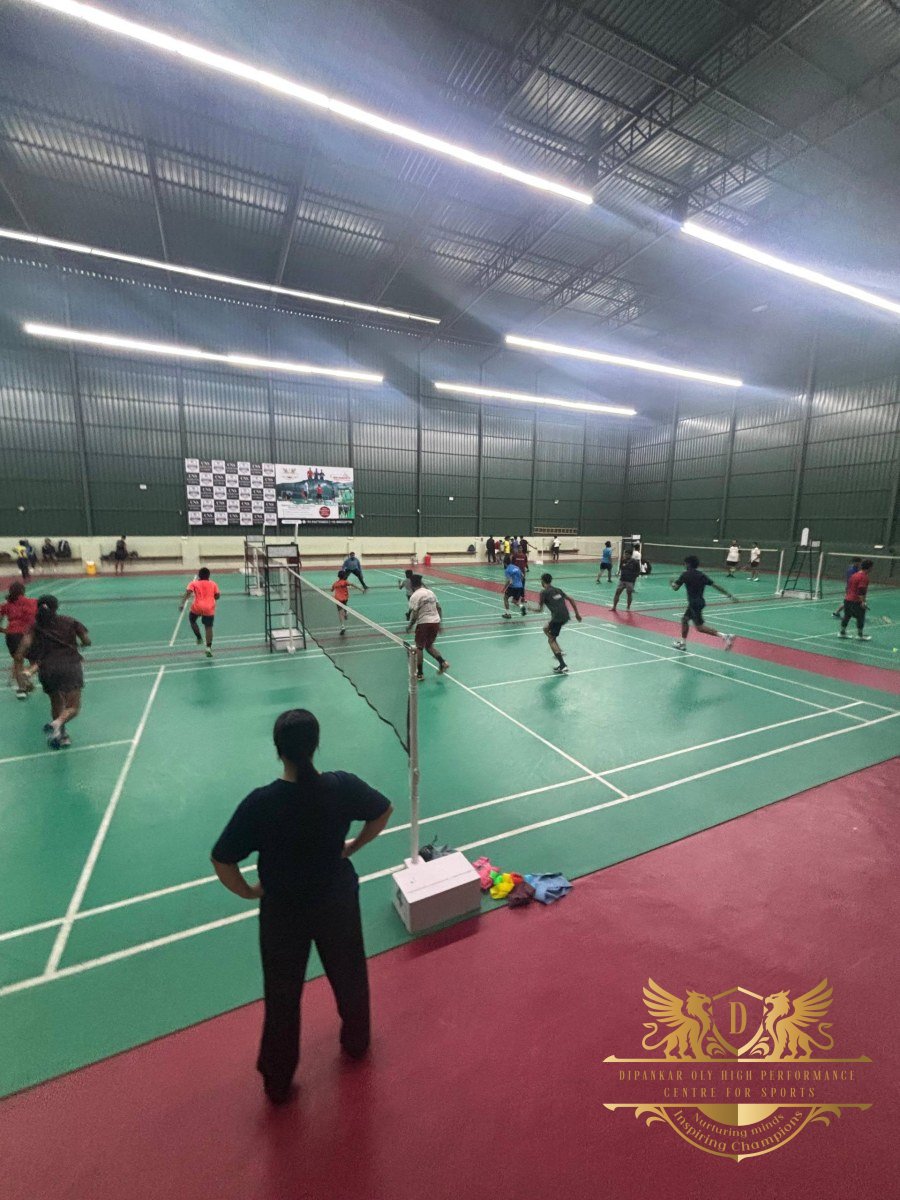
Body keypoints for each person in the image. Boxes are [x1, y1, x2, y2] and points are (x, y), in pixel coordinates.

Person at [211, 709, 393, 1104]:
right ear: (315, 745)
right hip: (336, 901)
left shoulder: (261, 803)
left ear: (279, 751)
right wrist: (352, 847)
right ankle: (357, 1043)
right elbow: (383, 810)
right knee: (349, 975)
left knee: (282, 993)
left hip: (283, 911)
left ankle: (277, 1081)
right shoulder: (341, 786)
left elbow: (222, 859)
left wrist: (248, 892)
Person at [14, 594, 90, 748]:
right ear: (56, 607)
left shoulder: (34, 627)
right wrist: (82, 644)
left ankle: (61, 736)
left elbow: (22, 650)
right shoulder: (70, 621)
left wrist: (22, 673)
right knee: (73, 707)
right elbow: (86, 640)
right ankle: (57, 723)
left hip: (47, 669)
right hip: (70, 666)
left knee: (56, 703)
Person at [671, 555, 737, 651]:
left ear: (688, 564)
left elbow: (675, 588)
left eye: (685, 563)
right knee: (684, 619)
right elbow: (715, 585)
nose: (684, 565)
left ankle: (725, 636)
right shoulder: (701, 575)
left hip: (694, 604)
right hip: (700, 602)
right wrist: (728, 594)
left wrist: (671, 583)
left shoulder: (685, 575)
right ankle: (683, 644)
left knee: (700, 628)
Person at [531, 572, 582, 675]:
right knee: (546, 628)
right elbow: (571, 599)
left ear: (542, 581)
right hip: (565, 616)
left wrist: (530, 608)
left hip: (557, 618)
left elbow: (540, 610)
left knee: (551, 640)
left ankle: (563, 665)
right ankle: (559, 651)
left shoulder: (543, 592)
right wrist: (577, 614)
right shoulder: (558, 590)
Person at [406, 575, 449, 680]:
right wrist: (440, 624)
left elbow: (414, 615)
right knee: (429, 646)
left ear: (411, 585)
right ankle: (443, 662)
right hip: (435, 622)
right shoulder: (430, 592)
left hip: (424, 623)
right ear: (421, 583)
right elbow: (439, 608)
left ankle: (420, 674)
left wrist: (410, 626)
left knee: (419, 647)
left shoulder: (414, 596)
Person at [1, 581, 37, 698]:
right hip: (28, 635)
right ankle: (28, 674)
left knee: (18, 662)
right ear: (23, 591)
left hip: (12, 636)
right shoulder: (33, 602)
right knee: (36, 661)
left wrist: (6, 630)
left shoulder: (5, 606)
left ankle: (22, 689)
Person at [179, 567, 220, 657]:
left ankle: (199, 638)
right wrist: (211, 596)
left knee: (192, 620)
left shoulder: (193, 583)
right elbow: (217, 596)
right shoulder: (213, 584)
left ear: (199, 575)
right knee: (208, 627)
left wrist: (182, 603)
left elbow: (188, 593)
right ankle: (208, 648)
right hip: (209, 608)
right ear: (209, 575)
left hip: (197, 607)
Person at [839, 559, 873, 641]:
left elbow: (849, 586)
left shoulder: (854, 575)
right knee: (860, 617)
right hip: (856, 601)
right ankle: (860, 635)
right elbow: (861, 590)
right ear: (869, 567)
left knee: (847, 616)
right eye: (872, 567)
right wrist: (863, 602)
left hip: (847, 599)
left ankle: (842, 633)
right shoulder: (864, 577)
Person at [331, 569, 361, 635]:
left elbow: (331, 590)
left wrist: (333, 589)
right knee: (344, 606)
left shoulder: (335, 583)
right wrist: (360, 589)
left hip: (338, 599)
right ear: (344, 576)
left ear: (338, 576)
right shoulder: (345, 582)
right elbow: (352, 584)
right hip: (345, 598)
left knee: (340, 612)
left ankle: (342, 626)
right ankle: (346, 612)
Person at [502, 555, 527, 619]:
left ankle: (508, 614)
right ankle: (522, 606)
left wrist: (503, 589)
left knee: (505, 598)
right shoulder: (516, 567)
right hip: (520, 586)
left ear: (504, 563)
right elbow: (523, 576)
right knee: (514, 601)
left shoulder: (507, 570)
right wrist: (519, 583)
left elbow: (509, 581)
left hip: (513, 587)